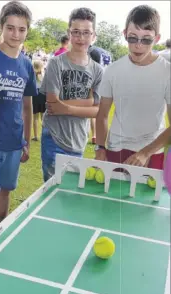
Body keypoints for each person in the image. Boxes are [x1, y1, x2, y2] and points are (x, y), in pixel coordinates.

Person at [0, 0, 37, 240]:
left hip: (13, 142)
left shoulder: (27, 65)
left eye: (21, 29)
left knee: (5, 190)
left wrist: (27, 140)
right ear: (1, 26)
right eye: (10, 27)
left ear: (27, 31)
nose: (16, 34)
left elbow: (27, 105)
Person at [95, 5, 171, 171]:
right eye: (132, 38)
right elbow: (102, 115)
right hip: (116, 148)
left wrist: (145, 153)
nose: (138, 45)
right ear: (124, 34)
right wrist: (100, 147)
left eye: (146, 39)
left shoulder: (167, 72)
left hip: (152, 150)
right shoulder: (112, 70)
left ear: (157, 38)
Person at [40, 7, 103, 182]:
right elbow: (53, 104)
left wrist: (66, 107)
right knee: (53, 191)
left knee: (72, 191)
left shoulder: (98, 71)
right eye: (76, 32)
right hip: (54, 136)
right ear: (69, 33)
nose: (81, 38)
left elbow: (98, 111)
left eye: (86, 32)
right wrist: (89, 102)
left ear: (93, 36)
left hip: (78, 140)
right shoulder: (55, 63)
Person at [88, 42, 112, 144]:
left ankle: (94, 135)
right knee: (103, 113)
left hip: (96, 81)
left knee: (93, 110)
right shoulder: (105, 51)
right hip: (107, 81)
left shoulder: (91, 51)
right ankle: (101, 137)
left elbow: (91, 67)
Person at [32, 60, 46, 141]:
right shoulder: (43, 75)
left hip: (35, 95)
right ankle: (44, 134)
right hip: (43, 95)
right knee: (43, 117)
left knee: (35, 117)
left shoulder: (32, 74)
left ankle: (36, 136)